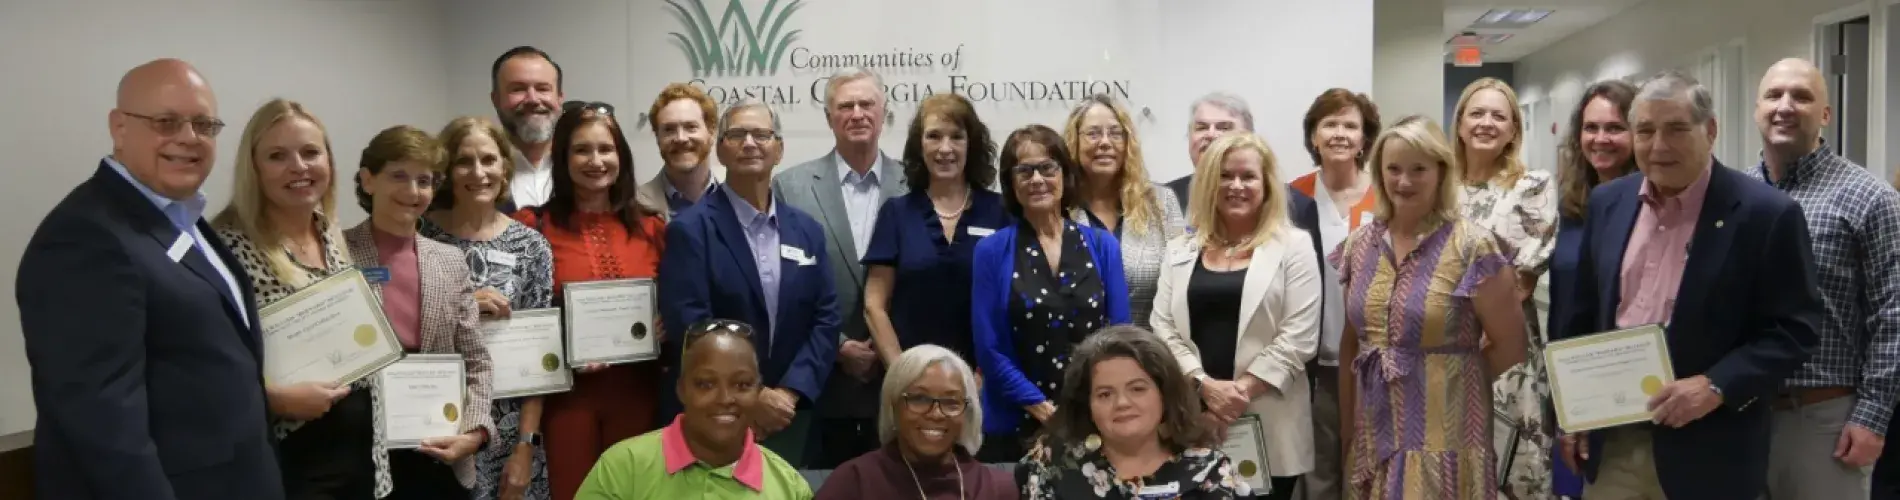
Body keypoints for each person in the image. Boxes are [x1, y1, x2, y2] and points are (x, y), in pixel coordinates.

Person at [19, 58, 284, 500]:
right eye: (166, 121)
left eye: (204, 124)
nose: (189, 138)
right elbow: (103, 424)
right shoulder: (84, 238)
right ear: (119, 127)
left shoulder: (181, 216)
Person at [1551, 70, 1823, 500]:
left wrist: (1716, 385)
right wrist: (1569, 414)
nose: (1659, 146)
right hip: (1615, 442)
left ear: (1709, 130)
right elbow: (1580, 316)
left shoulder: (1765, 214)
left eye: (1676, 129)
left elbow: (1796, 330)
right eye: (1646, 130)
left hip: (1708, 448)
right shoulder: (1609, 202)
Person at [1335, 116, 1528, 499]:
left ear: (1441, 172)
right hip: (1373, 432)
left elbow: (1511, 344)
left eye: (1418, 169)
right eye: (1393, 169)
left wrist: (1448, 380)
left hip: (1445, 440)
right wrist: (1347, 432)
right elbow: (1352, 343)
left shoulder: (1472, 246)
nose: (1403, 182)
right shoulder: (1360, 245)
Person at [1744, 59, 1900, 500]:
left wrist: (1872, 416)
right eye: (1774, 95)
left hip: (1824, 421)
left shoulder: (1870, 199)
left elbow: (1894, 315)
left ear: (1825, 115)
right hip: (1742, 418)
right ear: (1757, 109)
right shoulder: (1737, 197)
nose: (1785, 107)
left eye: (1802, 96)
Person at [658, 98, 841, 466]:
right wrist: (750, 395)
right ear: (720, 150)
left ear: (779, 149)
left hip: (794, 414)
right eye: (737, 134)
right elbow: (692, 324)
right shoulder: (690, 230)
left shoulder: (807, 230)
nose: (750, 143)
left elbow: (826, 318)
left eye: (762, 134)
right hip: (719, 413)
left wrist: (790, 393)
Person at [210, 98, 379, 497]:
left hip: (359, 457)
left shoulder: (332, 232)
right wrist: (273, 400)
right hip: (289, 462)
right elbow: (205, 371)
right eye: (277, 156)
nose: (299, 167)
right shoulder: (228, 250)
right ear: (253, 168)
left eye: (310, 152)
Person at [511, 102, 668, 499]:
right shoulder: (531, 226)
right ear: (562, 159)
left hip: (640, 395)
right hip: (566, 401)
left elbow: (676, 305)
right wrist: (560, 345)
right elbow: (515, 324)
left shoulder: (652, 228)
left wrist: (665, 327)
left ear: (621, 156)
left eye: (606, 149)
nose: (595, 161)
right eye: (582, 150)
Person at [1151, 132, 1321, 499]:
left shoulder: (1294, 246)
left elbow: (1300, 337)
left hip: (1271, 425)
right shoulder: (1180, 249)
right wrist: (1204, 387)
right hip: (1192, 420)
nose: (1236, 186)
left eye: (1248, 176)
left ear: (1266, 184)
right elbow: (1162, 327)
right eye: (1225, 176)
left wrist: (1236, 395)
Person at [347, 125, 499, 497]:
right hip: (357, 453)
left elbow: (477, 361)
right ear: (368, 180)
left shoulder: (450, 261)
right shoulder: (337, 255)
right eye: (399, 176)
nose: (413, 192)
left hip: (437, 452)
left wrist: (475, 432)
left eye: (425, 180)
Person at [971, 124, 1132, 462]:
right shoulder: (990, 251)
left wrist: (1077, 410)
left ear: (1064, 175)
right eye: (1024, 171)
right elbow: (990, 348)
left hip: (1093, 420)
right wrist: (1045, 411)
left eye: (1047, 167)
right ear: (1011, 183)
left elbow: (1119, 336)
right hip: (1016, 423)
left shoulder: (1103, 246)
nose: (1037, 179)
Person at [776, 67, 910, 468]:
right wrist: (837, 347)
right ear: (828, 116)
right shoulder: (790, 187)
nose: (857, 113)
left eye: (866, 104)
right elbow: (782, 285)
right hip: (821, 383)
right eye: (845, 105)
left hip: (899, 381)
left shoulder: (916, 184)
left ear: (883, 112)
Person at [420, 116, 558, 500]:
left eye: (488, 159)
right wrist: (463, 304)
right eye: (464, 161)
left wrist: (526, 445)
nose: (478, 172)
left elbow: (539, 357)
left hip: (509, 431)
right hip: (432, 421)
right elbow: (399, 332)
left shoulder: (532, 246)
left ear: (504, 166)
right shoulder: (417, 235)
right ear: (446, 169)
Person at [1447, 77, 1560, 499]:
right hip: (1443, 348)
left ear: (1515, 129)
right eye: (1476, 113)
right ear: (1459, 123)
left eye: (1499, 115)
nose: (1487, 123)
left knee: (1512, 470)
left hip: (1503, 347)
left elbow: (1520, 279)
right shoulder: (1439, 188)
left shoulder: (1532, 186)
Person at [574, 319, 814, 499]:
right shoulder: (622, 468)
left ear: (758, 392)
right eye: (706, 384)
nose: (725, 398)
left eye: (742, 384)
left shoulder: (789, 488)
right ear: (681, 390)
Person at [1016, 326, 1251, 499]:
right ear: (1087, 403)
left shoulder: (1212, 472)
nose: (1122, 403)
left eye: (1137, 389)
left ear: (1164, 394)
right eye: (1105, 394)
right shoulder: (1050, 463)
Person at [861, 93, 1009, 367]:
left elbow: (1010, 305)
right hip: (911, 383)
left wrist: (985, 374)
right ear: (919, 145)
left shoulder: (1001, 212)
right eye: (934, 136)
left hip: (984, 383)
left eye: (956, 136)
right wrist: (903, 374)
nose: (945, 148)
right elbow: (874, 306)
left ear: (972, 144)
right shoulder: (896, 213)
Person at [1285, 88, 1381, 500]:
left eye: (1350, 125)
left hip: (1375, 359)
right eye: (1329, 124)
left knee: (1372, 464)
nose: (1340, 134)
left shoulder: (1389, 193)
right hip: (1316, 360)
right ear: (1313, 137)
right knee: (1320, 469)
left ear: (1365, 138)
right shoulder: (1292, 196)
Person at [1544, 78, 1637, 499]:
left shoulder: (1655, 203)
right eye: (1590, 127)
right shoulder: (1568, 205)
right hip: (1575, 377)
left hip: (1633, 383)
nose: (1600, 139)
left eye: (1615, 128)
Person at [814, 345, 1018, 499]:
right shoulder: (853, 483)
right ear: (893, 405)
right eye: (919, 399)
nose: (936, 414)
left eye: (950, 402)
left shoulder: (999, 489)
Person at [1061, 94, 1187, 328]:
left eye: (1115, 133)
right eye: (1093, 133)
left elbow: (1181, 287)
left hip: (1148, 353)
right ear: (1073, 142)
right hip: (1077, 358)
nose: (1105, 142)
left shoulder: (1161, 202)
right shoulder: (1058, 207)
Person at [1162, 92, 1324, 274]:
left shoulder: (1297, 206)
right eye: (1201, 127)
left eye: (1224, 127)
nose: (1211, 134)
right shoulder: (1163, 199)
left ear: (1248, 138)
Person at [491, 46, 565, 212]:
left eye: (543, 88)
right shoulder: (474, 172)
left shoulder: (586, 168)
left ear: (560, 98)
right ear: (496, 99)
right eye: (517, 89)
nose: (532, 99)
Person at [635, 83, 722, 220]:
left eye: (691, 127)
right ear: (657, 137)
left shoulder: (738, 198)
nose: (680, 138)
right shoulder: (634, 206)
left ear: (711, 133)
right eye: (669, 129)